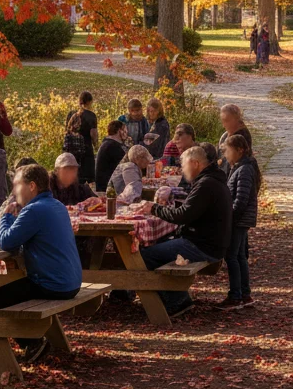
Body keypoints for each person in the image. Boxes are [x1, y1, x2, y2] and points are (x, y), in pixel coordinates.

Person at [0, 163, 84, 363]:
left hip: (52, 284)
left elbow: (6, 242)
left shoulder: (34, 210)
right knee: (8, 292)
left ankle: (31, 343)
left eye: (17, 185)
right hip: (70, 282)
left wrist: (6, 216)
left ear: (32, 186)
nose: (14, 191)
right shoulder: (56, 205)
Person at [136, 145, 232, 317]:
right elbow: (192, 210)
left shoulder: (206, 184)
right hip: (212, 243)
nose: (183, 170)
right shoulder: (213, 180)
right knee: (158, 246)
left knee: (144, 256)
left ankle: (176, 299)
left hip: (202, 246)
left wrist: (154, 208)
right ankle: (173, 295)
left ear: (195, 163)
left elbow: (183, 216)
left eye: (185, 165)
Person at [217, 133, 259, 311]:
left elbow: (241, 199)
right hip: (240, 219)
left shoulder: (244, 169)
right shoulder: (240, 167)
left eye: (228, 151)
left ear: (239, 150)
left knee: (232, 257)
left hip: (239, 220)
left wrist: (229, 217)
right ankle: (244, 293)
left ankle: (236, 295)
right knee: (239, 256)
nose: (226, 155)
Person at [64, 91, 99, 184]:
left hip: (72, 150)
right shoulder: (91, 115)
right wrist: (97, 146)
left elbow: (66, 130)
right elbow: (93, 133)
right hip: (86, 149)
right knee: (88, 177)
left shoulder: (71, 113)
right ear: (89, 102)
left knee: (74, 176)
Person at [94, 120, 128, 191]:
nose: (126, 133)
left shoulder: (108, 143)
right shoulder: (113, 146)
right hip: (108, 188)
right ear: (119, 131)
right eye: (125, 130)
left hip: (104, 185)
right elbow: (127, 164)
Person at [217, 104, 252, 172]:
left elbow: (231, 160)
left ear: (237, 119)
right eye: (223, 121)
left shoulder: (241, 136)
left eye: (226, 120)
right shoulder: (228, 134)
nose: (223, 125)